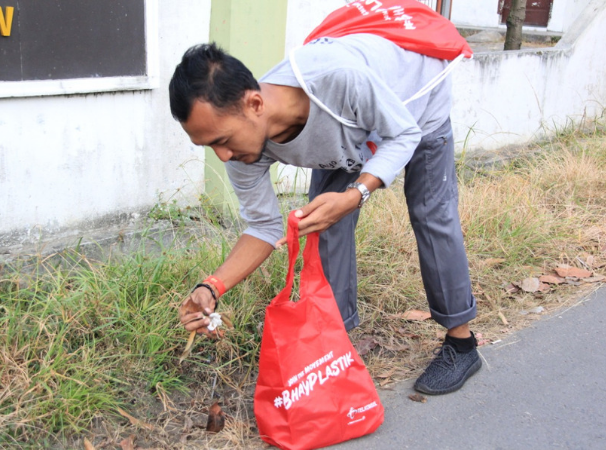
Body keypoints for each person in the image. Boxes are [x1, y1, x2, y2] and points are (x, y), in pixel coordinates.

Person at [170, 33, 481, 395]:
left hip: (414, 105)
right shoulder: (243, 147)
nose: (222, 156)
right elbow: (264, 226)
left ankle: (461, 344)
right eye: (209, 146)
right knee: (323, 227)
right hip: (349, 130)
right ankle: (337, 346)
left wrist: (357, 193)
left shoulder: (338, 79)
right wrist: (212, 285)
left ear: (255, 104)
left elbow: (402, 134)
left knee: (431, 215)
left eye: (222, 140)